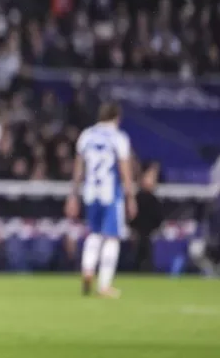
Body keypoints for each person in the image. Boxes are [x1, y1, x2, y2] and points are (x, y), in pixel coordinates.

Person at [64, 102, 136, 298]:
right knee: (112, 237)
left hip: (91, 192)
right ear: (117, 118)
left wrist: (73, 196)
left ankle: (87, 270)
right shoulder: (119, 138)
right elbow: (125, 171)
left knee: (94, 234)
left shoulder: (86, 135)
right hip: (110, 193)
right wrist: (131, 197)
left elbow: (78, 168)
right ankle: (104, 284)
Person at [130, 164, 163, 272]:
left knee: (147, 252)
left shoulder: (155, 200)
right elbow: (132, 218)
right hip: (137, 233)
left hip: (150, 234)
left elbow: (158, 219)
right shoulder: (136, 198)